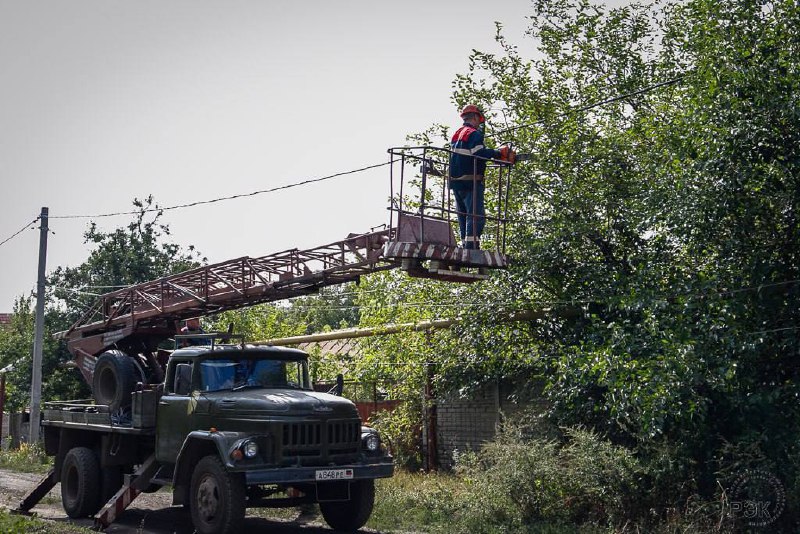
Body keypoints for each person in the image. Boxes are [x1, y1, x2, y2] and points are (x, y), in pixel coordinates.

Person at [448, 104, 515, 249]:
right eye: (479, 119)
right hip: (470, 182)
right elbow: (478, 153)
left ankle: (466, 243)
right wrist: (497, 153)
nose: (480, 123)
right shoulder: (474, 134)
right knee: (476, 216)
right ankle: (471, 246)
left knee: (463, 216)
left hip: (456, 182)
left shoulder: (457, 133)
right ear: (475, 117)